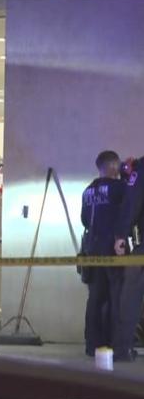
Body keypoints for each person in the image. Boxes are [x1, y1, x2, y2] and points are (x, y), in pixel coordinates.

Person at [80, 151, 125, 357]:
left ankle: (92, 344)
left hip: (91, 249)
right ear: (114, 166)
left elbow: (84, 219)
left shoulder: (88, 190)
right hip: (112, 247)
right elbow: (129, 211)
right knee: (117, 297)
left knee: (95, 298)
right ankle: (115, 344)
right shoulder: (118, 188)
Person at [114, 155, 144, 362]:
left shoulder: (140, 169)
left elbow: (131, 204)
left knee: (130, 297)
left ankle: (123, 348)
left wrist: (120, 236)